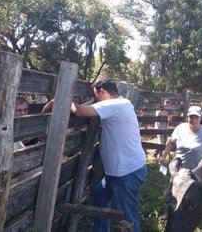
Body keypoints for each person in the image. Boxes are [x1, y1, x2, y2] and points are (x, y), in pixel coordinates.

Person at [43, 77, 147, 232]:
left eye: (95, 96)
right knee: (99, 195)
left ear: (102, 92)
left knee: (128, 217)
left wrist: (57, 101)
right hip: (119, 171)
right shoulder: (121, 104)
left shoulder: (114, 105)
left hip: (127, 172)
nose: (94, 100)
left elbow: (79, 111)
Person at [158, 106, 202, 170]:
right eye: (191, 117)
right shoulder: (180, 128)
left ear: (200, 118)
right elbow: (171, 142)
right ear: (187, 118)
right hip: (178, 170)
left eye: (196, 118)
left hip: (197, 172)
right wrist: (163, 156)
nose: (193, 120)